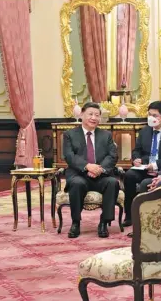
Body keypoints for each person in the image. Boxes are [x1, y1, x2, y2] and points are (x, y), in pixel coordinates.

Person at [63, 102, 120, 238]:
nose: (93, 118)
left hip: (101, 176)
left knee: (113, 182)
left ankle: (104, 222)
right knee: (77, 184)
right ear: (82, 114)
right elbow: (69, 156)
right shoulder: (69, 134)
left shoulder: (106, 135)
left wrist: (99, 169)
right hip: (79, 174)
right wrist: (87, 166)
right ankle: (76, 222)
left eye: (97, 115)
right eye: (90, 114)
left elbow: (113, 156)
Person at [123, 101, 161, 227]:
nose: (151, 118)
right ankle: (129, 215)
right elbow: (136, 150)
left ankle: (148, 217)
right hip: (144, 169)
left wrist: (154, 165)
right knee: (129, 176)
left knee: (146, 183)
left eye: (155, 115)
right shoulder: (145, 131)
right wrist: (136, 159)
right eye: (149, 115)